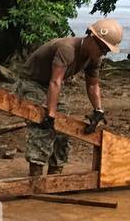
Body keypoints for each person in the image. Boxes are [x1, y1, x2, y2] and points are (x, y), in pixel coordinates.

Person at [16, 18, 122, 176]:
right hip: (31, 82)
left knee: (64, 127)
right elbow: (55, 81)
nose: (102, 53)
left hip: (52, 85)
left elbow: (93, 85)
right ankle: (36, 177)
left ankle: (55, 175)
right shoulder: (67, 49)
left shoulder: (95, 58)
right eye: (102, 48)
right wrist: (50, 114)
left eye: (106, 51)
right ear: (91, 38)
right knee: (43, 125)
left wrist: (98, 110)